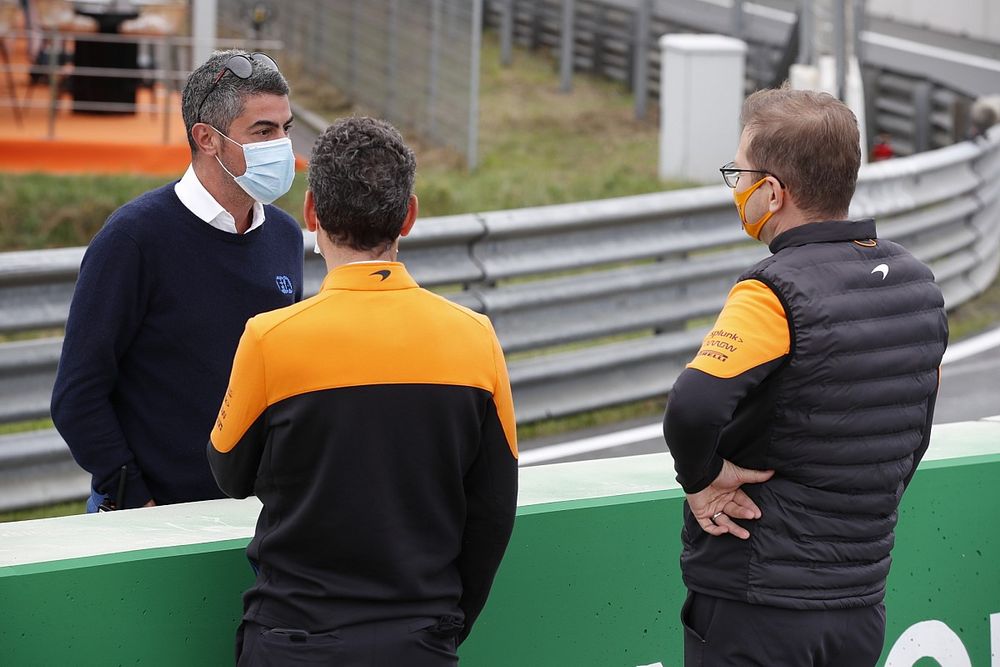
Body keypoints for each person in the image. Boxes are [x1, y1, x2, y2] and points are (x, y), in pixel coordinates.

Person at [208, 117, 518, 666]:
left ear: (311, 213)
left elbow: (229, 474)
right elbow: (493, 509)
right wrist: (445, 623)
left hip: (294, 635)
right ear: (409, 216)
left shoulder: (269, 337)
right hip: (419, 637)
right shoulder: (475, 337)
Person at [663, 86, 948, 666]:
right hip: (859, 602)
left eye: (738, 174)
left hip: (759, 599)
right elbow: (914, 431)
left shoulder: (773, 290)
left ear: (772, 192)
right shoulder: (919, 285)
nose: (736, 188)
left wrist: (703, 479)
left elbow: (691, 408)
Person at [50, 50, 304, 512]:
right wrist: (135, 500)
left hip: (254, 516)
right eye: (263, 131)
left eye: (286, 128)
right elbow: (77, 394)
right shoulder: (134, 238)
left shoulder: (285, 236)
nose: (282, 146)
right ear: (207, 139)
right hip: (151, 517)